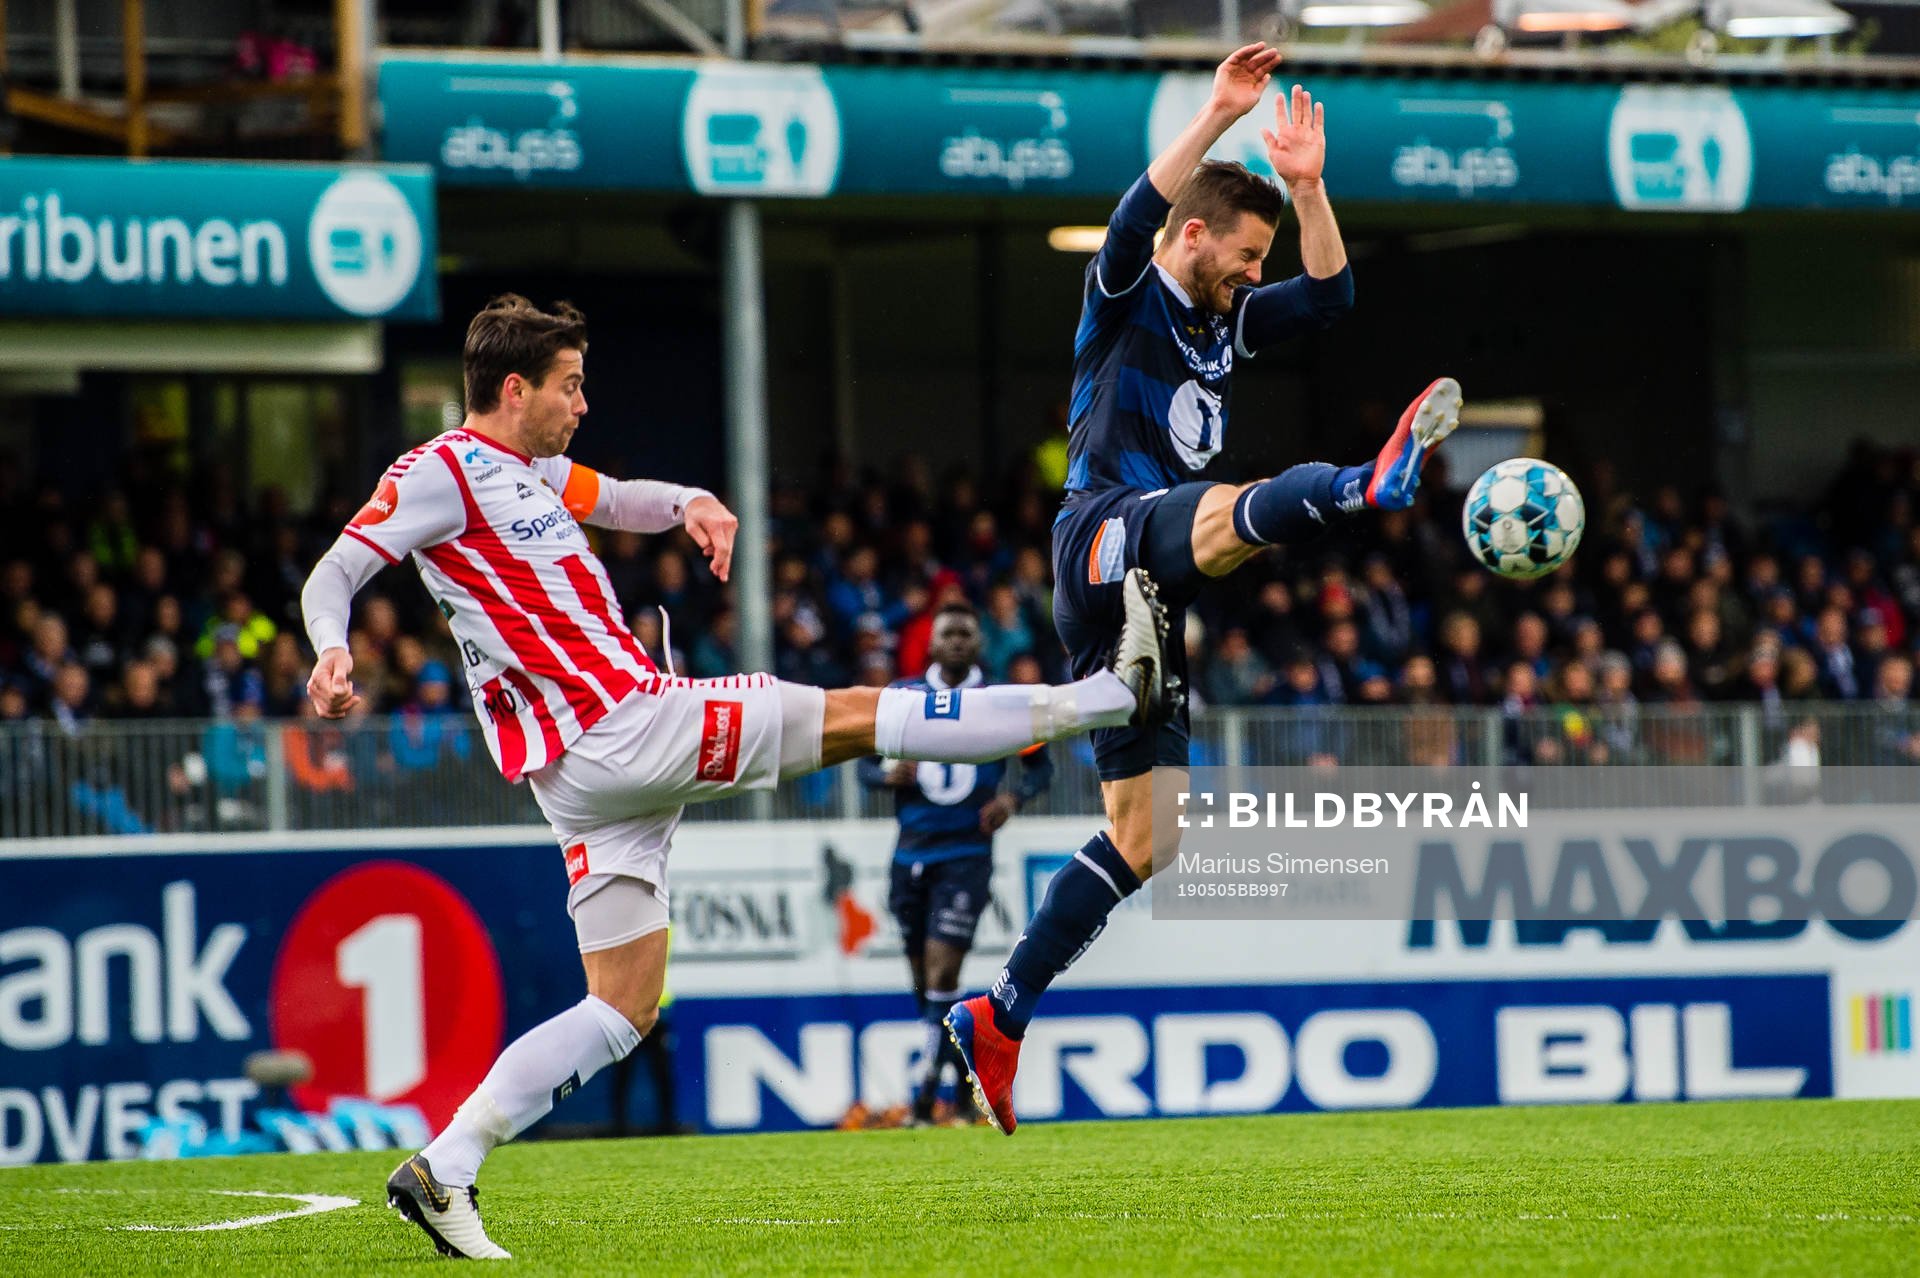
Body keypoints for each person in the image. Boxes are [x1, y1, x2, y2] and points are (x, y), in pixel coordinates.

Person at [299, 295, 1177, 1260]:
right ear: (515, 389)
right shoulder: (440, 471)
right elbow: (332, 574)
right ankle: (1111, 695)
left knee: (623, 1006)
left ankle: (446, 1164)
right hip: (620, 728)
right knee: (856, 715)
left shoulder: (532, 469)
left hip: (585, 768)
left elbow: (619, 498)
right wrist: (331, 649)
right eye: (570, 386)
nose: (583, 404)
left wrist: (689, 503)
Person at [944, 44, 1461, 1134]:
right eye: (1246, 253)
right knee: (1229, 512)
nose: (1255, 274)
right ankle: (1363, 483)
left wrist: (1307, 188)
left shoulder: (1231, 321)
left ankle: (1000, 1012)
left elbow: (1332, 295)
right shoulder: (1126, 293)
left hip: (1150, 581)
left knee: (1149, 834)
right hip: (1103, 532)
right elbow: (1133, 217)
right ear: (1194, 237)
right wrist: (1218, 117)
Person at [859, 601, 1052, 1126]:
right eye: (949, 633)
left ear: (979, 643)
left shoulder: (1000, 702)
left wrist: (1011, 798)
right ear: (932, 643)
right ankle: (965, 1083)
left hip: (967, 855)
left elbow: (1040, 768)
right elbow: (861, 765)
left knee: (944, 970)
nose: (958, 641)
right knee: (925, 984)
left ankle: (924, 1097)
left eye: (967, 633)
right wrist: (885, 776)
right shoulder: (902, 697)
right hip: (909, 855)